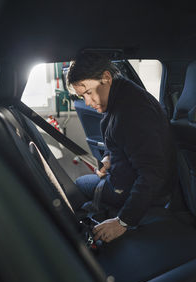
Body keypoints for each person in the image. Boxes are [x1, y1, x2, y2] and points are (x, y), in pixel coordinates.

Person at [67, 52, 177, 243]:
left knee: (77, 187)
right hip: (122, 178)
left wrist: (123, 221)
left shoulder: (133, 112)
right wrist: (109, 159)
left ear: (106, 78)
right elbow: (121, 141)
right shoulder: (121, 97)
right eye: (81, 96)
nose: (87, 102)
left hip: (130, 190)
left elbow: (153, 173)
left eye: (88, 93)